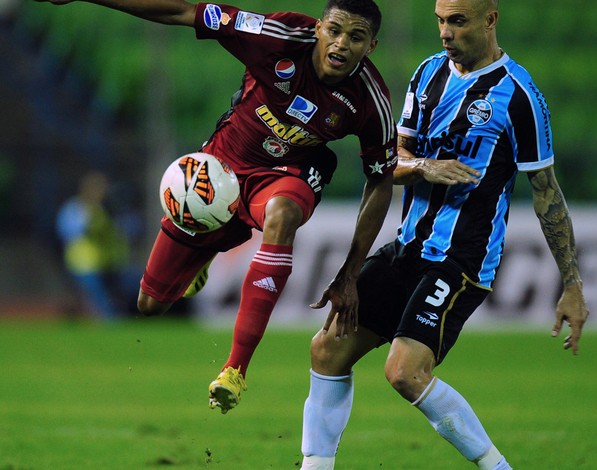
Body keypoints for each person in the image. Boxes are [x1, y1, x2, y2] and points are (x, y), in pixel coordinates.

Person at [38, 0, 397, 413]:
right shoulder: (273, 38)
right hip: (220, 174)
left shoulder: (371, 100)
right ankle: (215, 243)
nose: (341, 44)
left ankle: (235, 370)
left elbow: (380, 179)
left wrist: (351, 273)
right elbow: (183, 12)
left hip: (287, 173)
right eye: (334, 30)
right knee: (150, 305)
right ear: (318, 28)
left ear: (371, 46)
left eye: (356, 37)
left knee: (282, 216)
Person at [300, 0, 589, 468]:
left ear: (490, 20)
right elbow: (390, 162)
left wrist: (572, 284)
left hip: (461, 259)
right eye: (440, 20)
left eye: (457, 21)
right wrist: (424, 168)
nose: (445, 32)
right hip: (408, 247)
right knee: (327, 348)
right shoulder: (428, 74)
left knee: (405, 371)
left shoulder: (519, 95)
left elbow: (546, 194)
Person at [56, 170, 132, 320]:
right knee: (100, 300)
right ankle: (107, 325)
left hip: (108, 264)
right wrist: (91, 221)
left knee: (118, 297)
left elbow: (127, 231)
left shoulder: (109, 210)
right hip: (83, 265)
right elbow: (67, 231)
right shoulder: (75, 209)